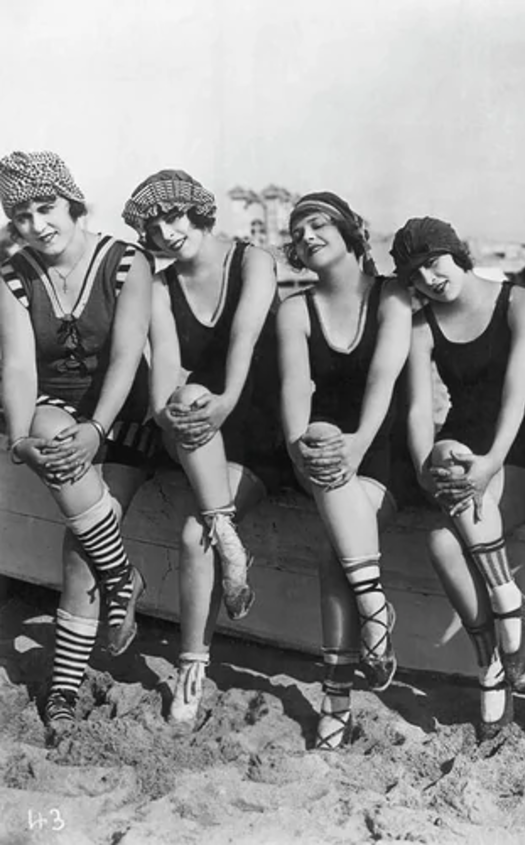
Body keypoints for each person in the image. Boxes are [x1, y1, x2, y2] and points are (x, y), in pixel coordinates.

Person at [0, 151, 156, 744]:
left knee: (82, 541)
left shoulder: (124, 261)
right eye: (21, 215)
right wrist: (18, 441)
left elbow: (125, 357)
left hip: (122, 412)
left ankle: (64, 683)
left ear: (72, 203)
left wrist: (97, 429)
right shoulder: (14, 275)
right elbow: (18, 367)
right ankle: (124, 580)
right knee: (43, 428)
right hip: (54, 410)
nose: (38, 225)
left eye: (47, 208)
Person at [123, 170, 282, 723]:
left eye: (173, 216)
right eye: (154, 227)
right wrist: (177, 410)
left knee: (196, 536)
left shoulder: (253, 262)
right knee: (185, 393)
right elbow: (164, 368)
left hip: (255, 429)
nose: (167, 233)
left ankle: (192, 664)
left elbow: (244, 338)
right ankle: (229, 546)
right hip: (191, 435)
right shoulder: (162, 288)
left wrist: (225, 399)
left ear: (197, 210)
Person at [397, 216, 525, 741]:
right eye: (416, 275)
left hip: (520, 452)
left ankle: (507, 606)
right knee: (442, 528)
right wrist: (423, 470)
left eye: (434, 261)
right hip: (461, 454)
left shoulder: (520, 302)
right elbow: (419, 409)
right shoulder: (422, 325)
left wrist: (491, 463)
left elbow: (518, 393)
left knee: (444, 541)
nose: (431, 278)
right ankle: (493, 654)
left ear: (455, 252)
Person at [277, 193, 412, 750]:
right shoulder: (294, 310)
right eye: (299, 230)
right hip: (322, 454)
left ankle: (335, 698)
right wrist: (301, 455)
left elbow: (384, 379)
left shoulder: (393, 295)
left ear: (350, 230)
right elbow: (292, 393)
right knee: (318, 436)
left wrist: (353, 449)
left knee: (335, 553)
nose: (308, 235)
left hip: (384, 451)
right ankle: (375, 607)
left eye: (319, 224)